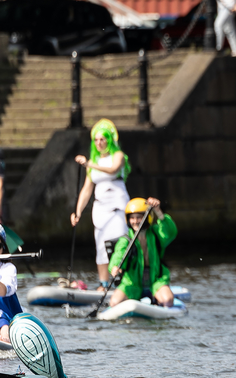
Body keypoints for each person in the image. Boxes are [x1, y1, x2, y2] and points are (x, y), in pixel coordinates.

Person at [71, 119, 131, 290]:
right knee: (101, 245)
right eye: (96, 140)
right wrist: (78, 212)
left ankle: (123, 281)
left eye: (102, 139)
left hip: (118, 206)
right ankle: (103, 284)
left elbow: (113, 169)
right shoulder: (93, 162)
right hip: (100, 208)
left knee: (120, 241)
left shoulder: (118, 156)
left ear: (109, 140)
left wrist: (90, 164)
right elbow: (86, 190)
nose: (99, 143)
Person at [107, 197, 177, 308]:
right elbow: (118, 254)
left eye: (139, 217)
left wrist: (158, 211)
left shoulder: (155, 233)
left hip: (156, 281)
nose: (135, 221)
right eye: (132, 218)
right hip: (132, 283)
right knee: (114, 303)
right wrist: (115, 267)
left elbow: (170, 232)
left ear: (147, 217)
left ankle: (159, 301)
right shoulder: (125, 239)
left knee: (168, 301)